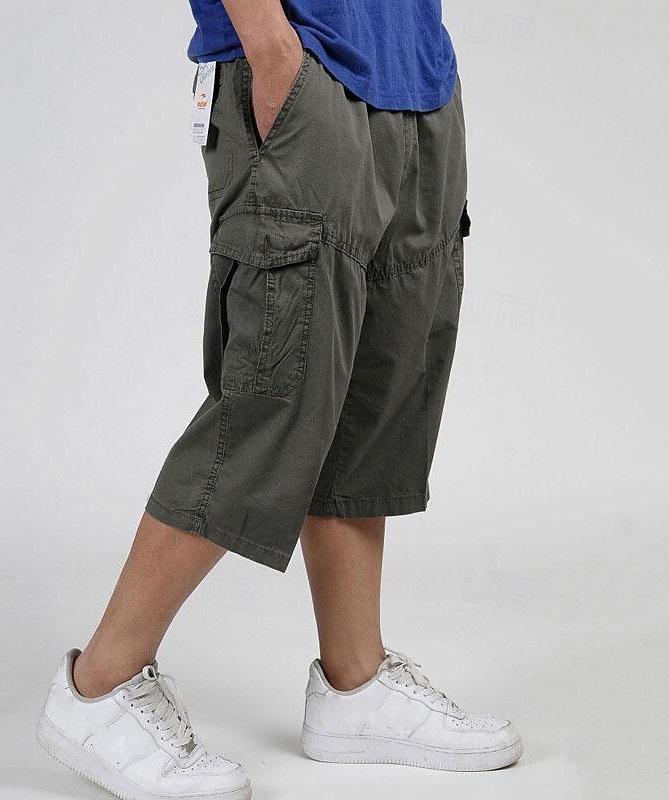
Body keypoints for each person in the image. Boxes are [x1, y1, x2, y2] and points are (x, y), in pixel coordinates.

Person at [35, 2, 522, 798]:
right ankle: (100, 684)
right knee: (273, 393)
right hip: (305, 66)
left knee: (375, 398)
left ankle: (355, 684)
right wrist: (269, 48)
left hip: (418, 78)